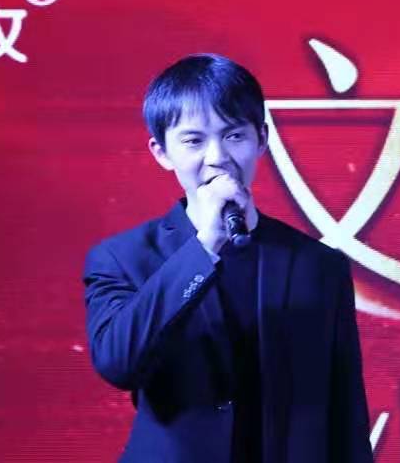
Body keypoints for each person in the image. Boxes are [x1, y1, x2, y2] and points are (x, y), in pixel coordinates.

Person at [83, 53, 373, 463]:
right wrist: (205, 245)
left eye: (234, 135)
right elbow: (119, 363)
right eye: (193, 141)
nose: (217, 156)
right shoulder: (122, 258)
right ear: (161, 152)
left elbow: (345, 412)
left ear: (262, 139)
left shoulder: (318, 266)